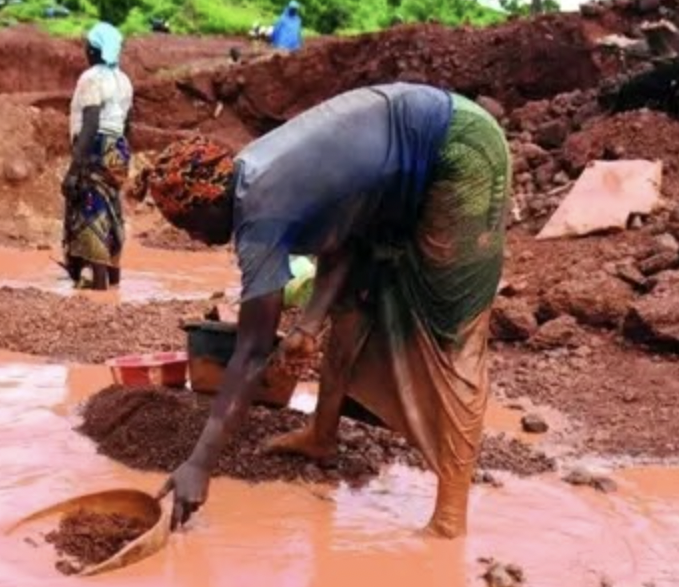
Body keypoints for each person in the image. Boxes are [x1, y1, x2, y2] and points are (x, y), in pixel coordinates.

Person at [139, 84, 511, 538]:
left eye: (188, 225)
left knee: (454, 333)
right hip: (401, 165)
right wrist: (308, 324)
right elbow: (345, 240)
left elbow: (253, 351)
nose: (193, 238)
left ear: (210, 202)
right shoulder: (251, 175)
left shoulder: (259, 215)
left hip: (460, 149)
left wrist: (199, 464)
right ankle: (322, 436)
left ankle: (450, 517)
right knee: (352, 306)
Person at [63, 22, 133, 290]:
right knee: (112, 207)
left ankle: (99, 284)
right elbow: (128, 123)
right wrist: (123, 153)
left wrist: (74, 169)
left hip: (95, 144)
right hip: (118, 147)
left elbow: (90, 122)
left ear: (93, 51)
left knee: (91, 207)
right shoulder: (124, 80)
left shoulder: (91, 78)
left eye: (86, 46)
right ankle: (114, 277)